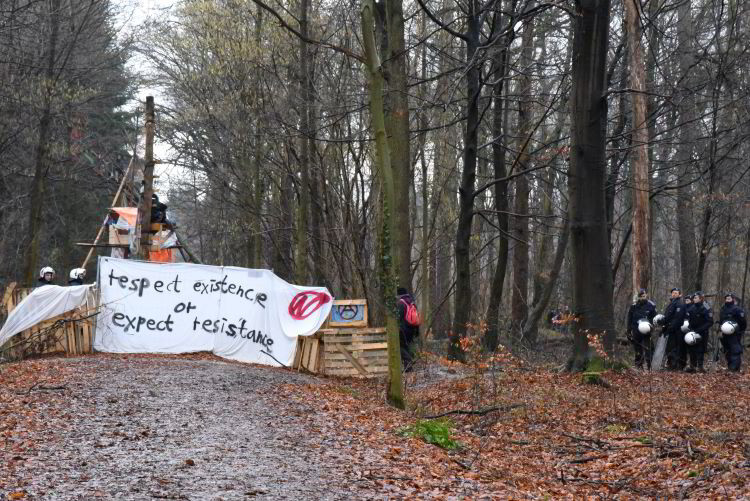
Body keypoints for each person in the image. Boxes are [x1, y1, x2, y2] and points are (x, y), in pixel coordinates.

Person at [627, 288, 657, 370]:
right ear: (638, 297)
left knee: (649, 348)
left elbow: (655, 318)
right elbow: (629, 319)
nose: (643, 298)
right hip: (636, 329)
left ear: (646, 295)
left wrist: (651, 326)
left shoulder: (651, 305)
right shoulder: (634, 306)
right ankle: (638, 365)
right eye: (641, 296)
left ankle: (650, 365)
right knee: (637, 347)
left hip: (647, 330)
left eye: (644, 296)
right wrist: (628, 331)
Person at [686, 291, 712, 372]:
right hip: (692, 332)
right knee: (691, 349)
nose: (694, 299)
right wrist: (690, 328)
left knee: (700, 350)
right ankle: (692, 366)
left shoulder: (706, 307)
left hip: (702, 332)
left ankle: (700, 367)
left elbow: (710, 322)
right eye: (693, 298)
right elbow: (689, 320)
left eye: (696, 298)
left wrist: (699, 330)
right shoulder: (692, 307)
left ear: (701, 298)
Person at [718, 293, 746, 372]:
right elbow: (721, 320)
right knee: (727, 350)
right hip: (724, 333)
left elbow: (743, 322)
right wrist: (720, 329)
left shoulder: (737, 309)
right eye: (726, 299)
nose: (727, 300)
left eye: (729, 299)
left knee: (735, 350)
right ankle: (730, 366)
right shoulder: (723, 309)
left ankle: (735, 368)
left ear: (733, 299)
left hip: (735, 333)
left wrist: (740, 331)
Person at [662, 288, 686, 370]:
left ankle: (674, 366)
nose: (674, 294)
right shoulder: (671, 303)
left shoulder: (680, 304)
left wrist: (671, 327)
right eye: (673, 293)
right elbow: (667, 317)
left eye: (676, 293)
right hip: (669, 329)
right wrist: (664, 326)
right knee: (669, 348)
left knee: (674, 348)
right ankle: (670, 364)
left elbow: (678, 318)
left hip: (675, 330)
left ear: (680, 294)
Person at [396, 286, 419, 371]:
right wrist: (417, 331)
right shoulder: (412, 302)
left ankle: (409, 364)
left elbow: (398, 317)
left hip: (403, 329)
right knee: (407, 346)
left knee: (401, 347)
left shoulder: (401, 303)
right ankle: (408, 367)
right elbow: (417, 316)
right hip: (412, 329)